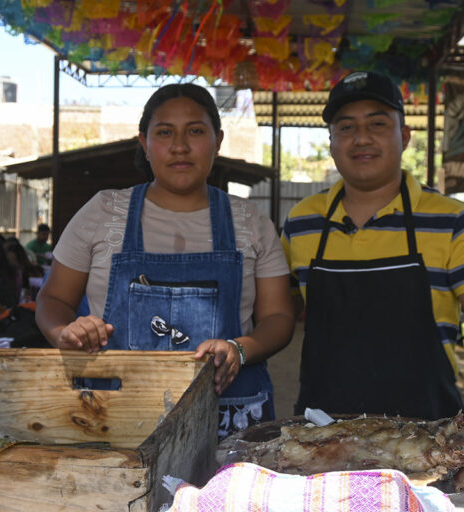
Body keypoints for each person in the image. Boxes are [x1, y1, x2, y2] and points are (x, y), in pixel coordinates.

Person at [281, 71, 464, 420]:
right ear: (331, 142)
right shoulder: (302, 223)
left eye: (377, 124)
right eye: (346, 127)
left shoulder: (453, 222)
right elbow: (278, 313)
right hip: (322, 429)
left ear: (404, 137)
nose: (361, 138)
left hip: (428, 432)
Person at [36, 83, 295, 438]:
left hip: (228, 420)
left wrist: (241, 348)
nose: (180, 146)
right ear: (144, 143)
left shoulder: (251, 222)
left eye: (195, 131)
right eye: (164, 132)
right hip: (116, 417)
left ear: (218, 141)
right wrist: (65, 332)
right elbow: (53, 299)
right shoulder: (103, 212)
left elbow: (279, 317)